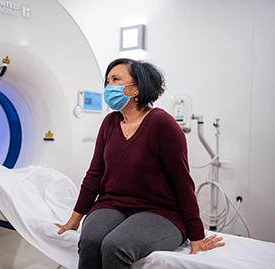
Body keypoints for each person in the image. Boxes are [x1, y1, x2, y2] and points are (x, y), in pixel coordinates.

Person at [56, 58, 224, 268]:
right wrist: (74, 220)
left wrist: (196, 235)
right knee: (90, 241)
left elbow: (182, 183)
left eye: (115, 79)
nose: (109, 87)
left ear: (137, 87)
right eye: (107, 81)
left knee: (115, 245)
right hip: (112, 205)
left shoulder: (163, 124)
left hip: (159, 211)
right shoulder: (109, 123)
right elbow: (94, 175)